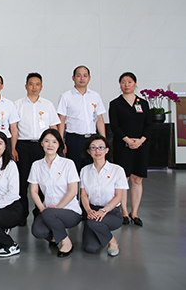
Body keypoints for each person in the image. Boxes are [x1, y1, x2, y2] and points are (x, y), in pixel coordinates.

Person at [14, 72, 60, 225]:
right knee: (22, 181)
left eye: (37, 84)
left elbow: (53, 127)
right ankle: (22, 214)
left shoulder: (47, 105)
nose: (34, 87)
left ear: (41, 87)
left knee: (42, 180)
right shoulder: (17, 104)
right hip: (23, 145)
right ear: (26, 86)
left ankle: (40, 212)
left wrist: (56, 146)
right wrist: (13, 148)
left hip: (43, 147)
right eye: (31, 84)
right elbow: (13, 128)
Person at [29, 129, 81, 258]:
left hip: (69, 211)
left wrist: (57, 208)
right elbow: (33, 191)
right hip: (47, 210)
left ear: (59, 145)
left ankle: (66, 242)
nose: (50, 145)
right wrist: (42, 208)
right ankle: (56, 236)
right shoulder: (36, 165)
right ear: (41, 143)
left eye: (54, 141)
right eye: (47, 141)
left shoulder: (68, 164)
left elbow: (73, 191)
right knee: (37, 231)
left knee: (50, 214)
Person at [109, 72, 152, 227]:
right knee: (124, 179)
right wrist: (127, 140)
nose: (126, 85)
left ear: (135, 84)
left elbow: (149, 125)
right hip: (122, 145)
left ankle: (135, 213)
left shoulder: (143, 103)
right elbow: (114, 125)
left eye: (129, 82)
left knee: (137, 179)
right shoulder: (115, 104)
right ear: (120, 85)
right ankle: (124, 213)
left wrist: (141, 140)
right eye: (123, 82)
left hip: (141, 145)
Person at [80, 135, 128, 256]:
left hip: (111, 212)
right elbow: (84, 195)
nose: (97, 151)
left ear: (107, 150)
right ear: (88, 151)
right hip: (92, 211)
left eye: (101, 147)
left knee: (93, 223)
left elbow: (118, 196)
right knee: (90, 248)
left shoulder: (117, 170)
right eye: (93, 148)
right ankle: (101, 232)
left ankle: (112, 241)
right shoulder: (85, 170)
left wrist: (104, 210)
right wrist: (88, 210)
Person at [57, 65, 106, 172]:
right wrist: (61, 141)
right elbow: (61, 120)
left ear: (89, 78)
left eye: (85, 75)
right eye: (79, 75)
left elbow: (99, 119)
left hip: (92, 139)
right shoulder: (66, 96)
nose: (82, 78)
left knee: (92, 171)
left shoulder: (95, 96)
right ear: (73, 78)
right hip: (74, 140)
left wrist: (103, 141)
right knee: (74, 171)